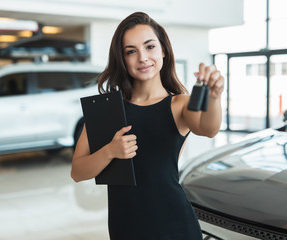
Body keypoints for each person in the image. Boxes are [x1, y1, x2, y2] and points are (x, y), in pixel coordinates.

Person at [71, 12, 224, 240]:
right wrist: (110, 151)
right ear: (122, 59)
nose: (142, 57)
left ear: (163, 50)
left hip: (175, 225)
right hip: (125, 226)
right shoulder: (106, 110)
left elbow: (207, 128)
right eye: (131, 51)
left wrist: (214, 97)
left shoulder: (179, 103)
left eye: (149, 47)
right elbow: (77, 172)